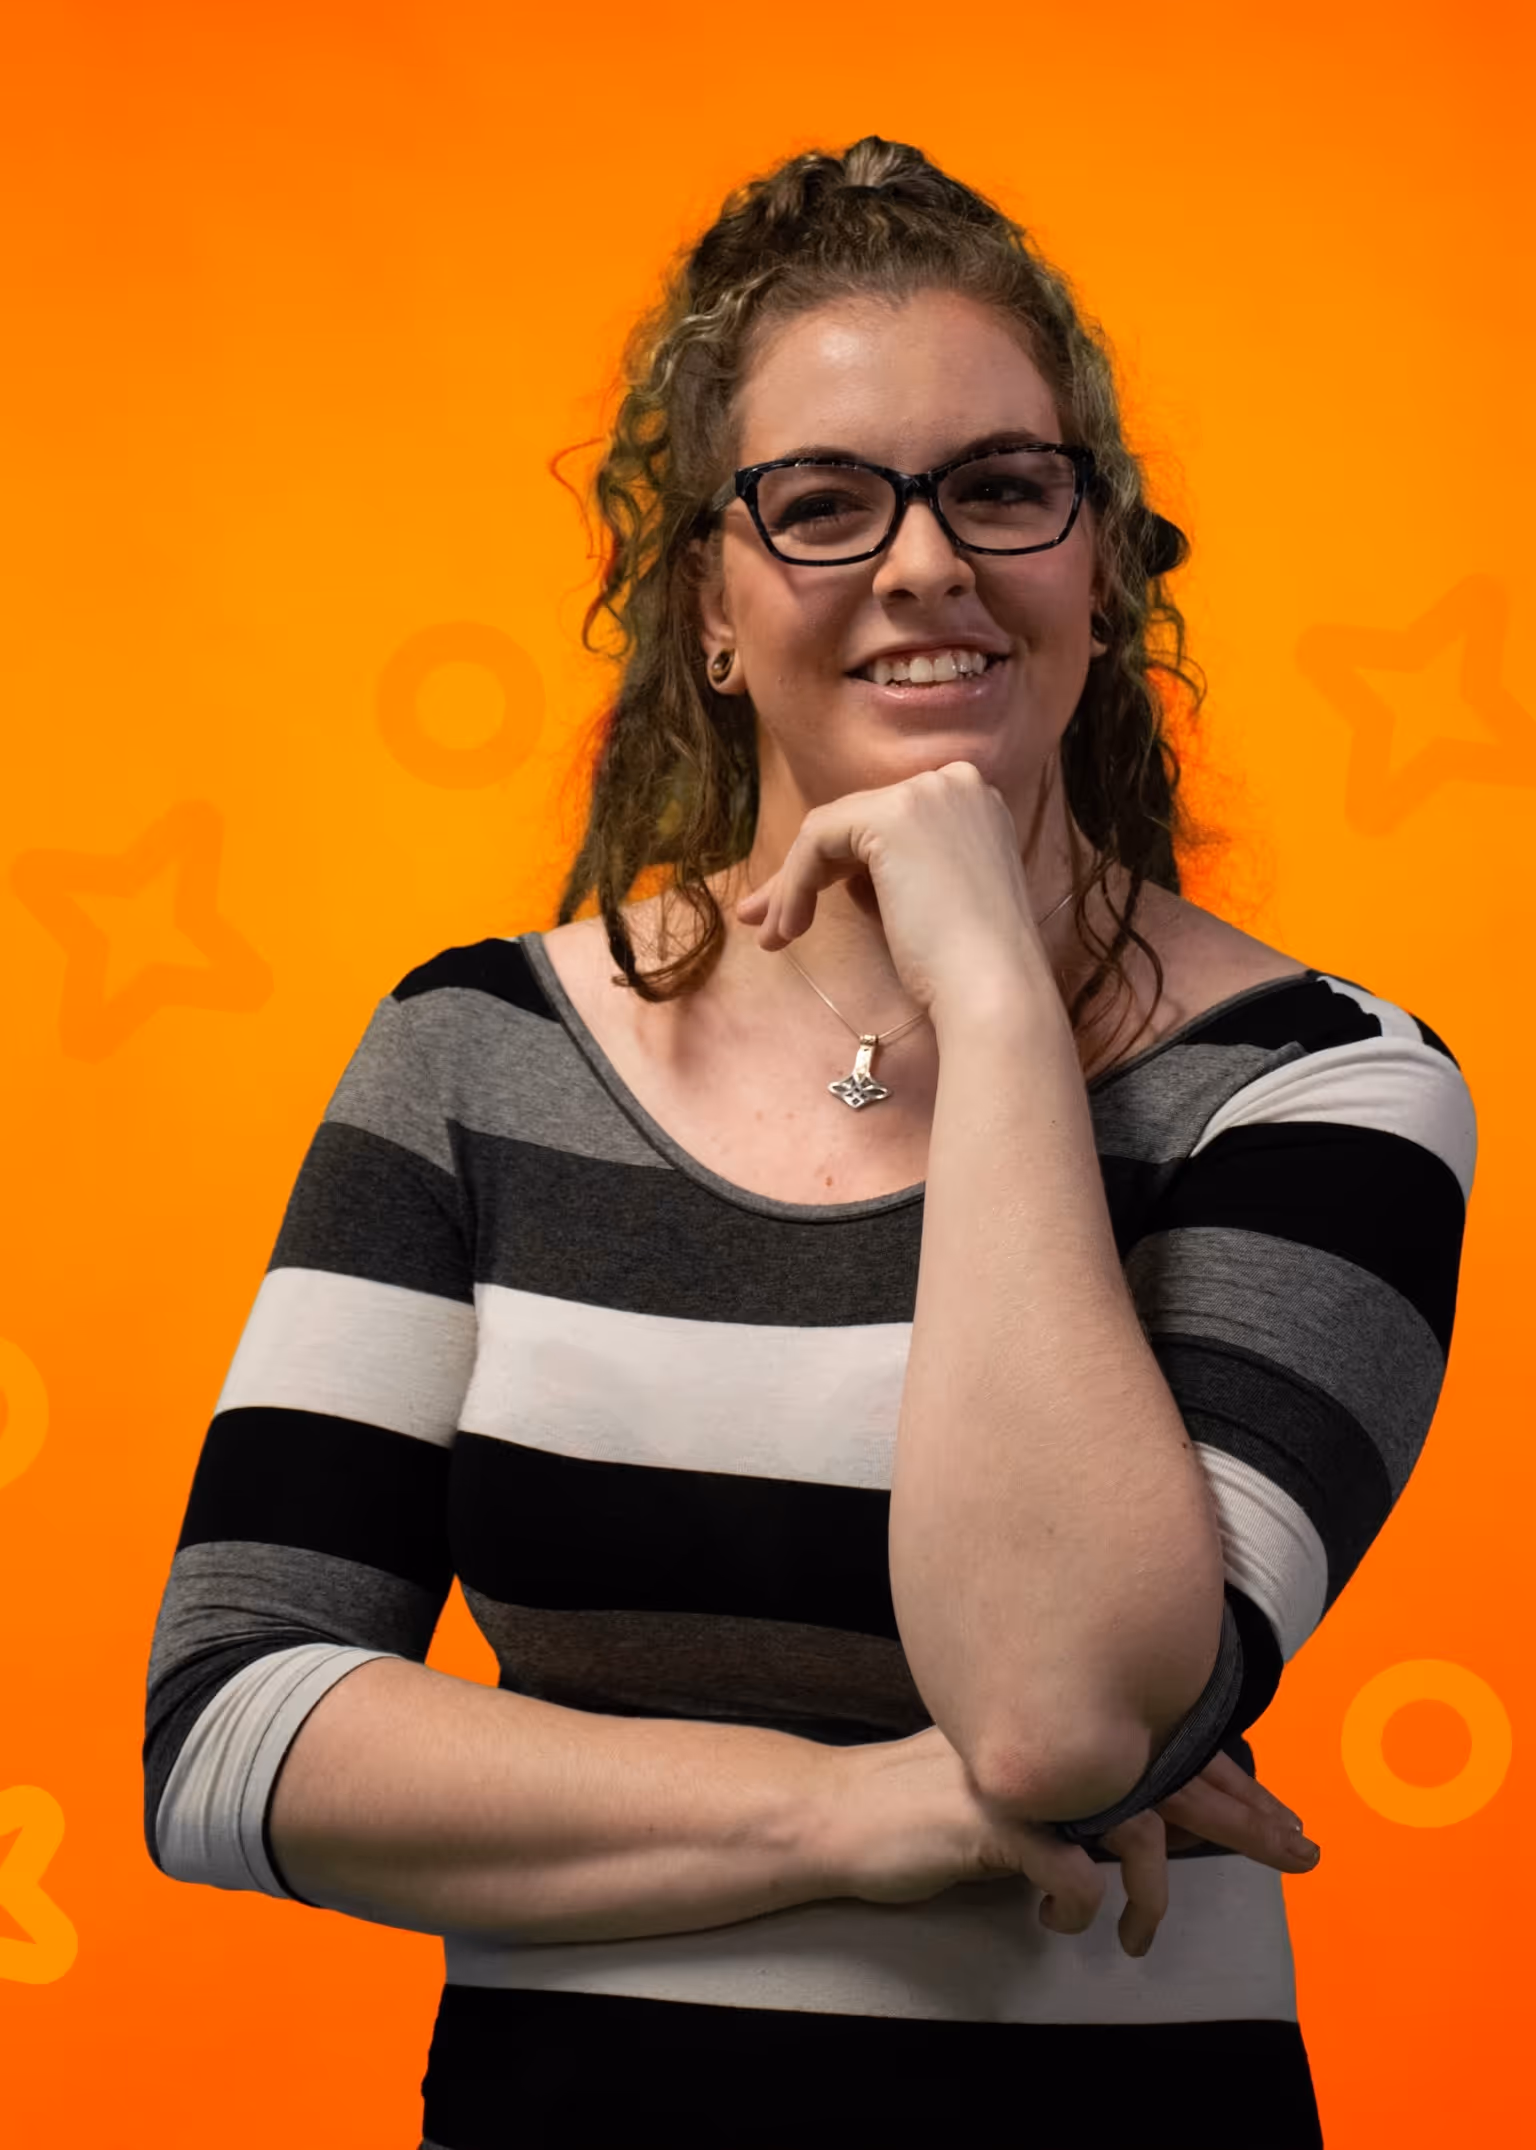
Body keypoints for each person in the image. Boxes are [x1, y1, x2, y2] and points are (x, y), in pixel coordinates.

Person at [141, 137, 1477, 2149]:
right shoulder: (474, 1050)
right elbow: (232, 1734)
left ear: (1099, 568)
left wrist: (1001, 1008)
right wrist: (868, 1809)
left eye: (1003, 490)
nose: (926, 562)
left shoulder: (1324, 1084)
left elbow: (1051, 1708)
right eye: (826, 506)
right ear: (709, 601)